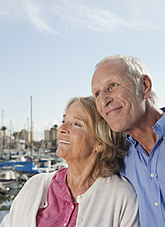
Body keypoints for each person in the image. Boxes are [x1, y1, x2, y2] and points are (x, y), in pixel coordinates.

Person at [1, 96, 140, 227]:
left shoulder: (121, 196)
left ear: (100, 143)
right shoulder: (34, 185)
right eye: (63, 122)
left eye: (76, 124)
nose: (62, 129)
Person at [91, 54, 165, 227]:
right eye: (97, 94)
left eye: (113, 85)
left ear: (144, 86)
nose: (104, 101)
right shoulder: (117, 158)